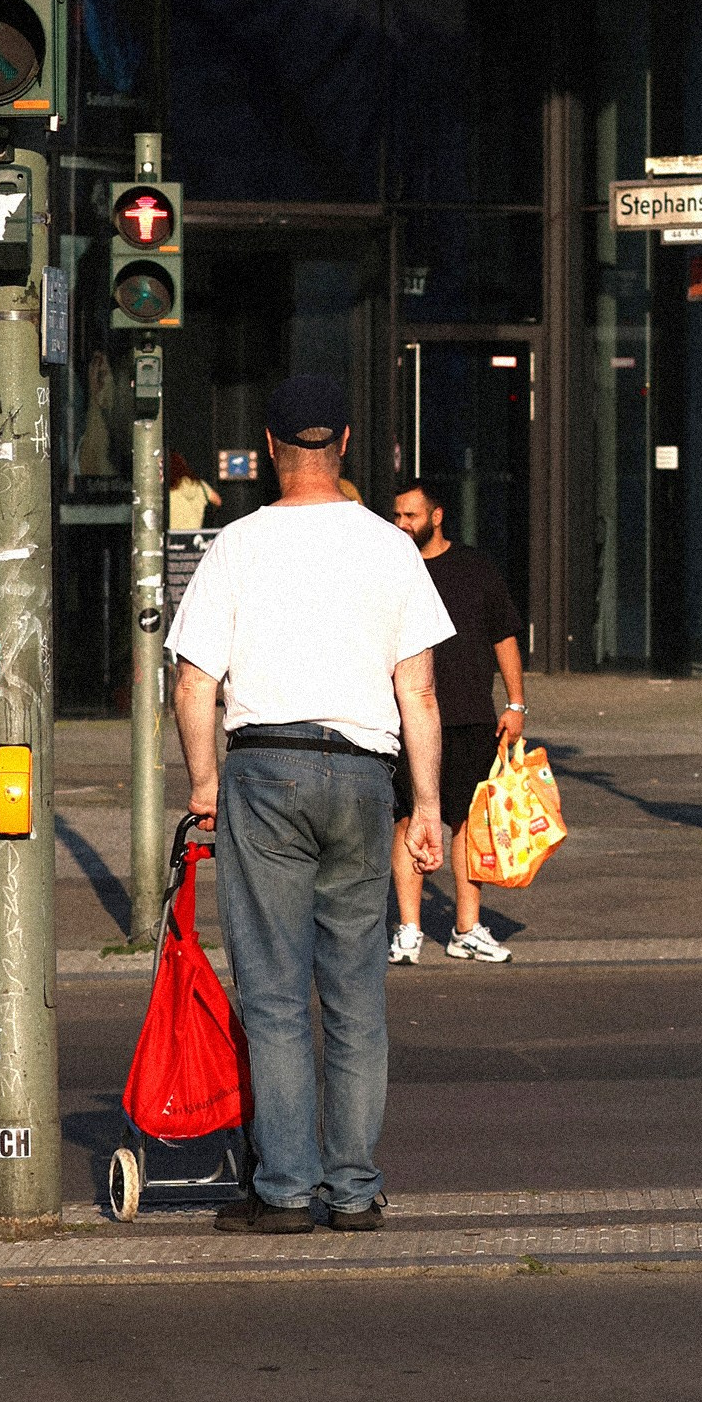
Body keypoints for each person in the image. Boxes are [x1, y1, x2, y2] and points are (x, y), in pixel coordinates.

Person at [168, 373, 454, 1233]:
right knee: (356, 995)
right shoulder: (388, 547)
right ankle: (355, 1189)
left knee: (275, 994)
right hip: (364, 775)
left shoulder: (236, 546)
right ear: (346, 443)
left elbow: (192, 683)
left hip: (263, 768)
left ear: (268, 447)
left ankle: (285, 1190)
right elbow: (422, 691)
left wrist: (204, 782)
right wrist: (429, 805)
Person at [385, 474, 525, 964]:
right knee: (408, 819)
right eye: (397, 515)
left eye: (411, 516)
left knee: (467, 822)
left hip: (468, 717)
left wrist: (516, 704)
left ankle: (467, 927)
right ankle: (408, 929)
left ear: (436, 516)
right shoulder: (390, 570)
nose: (401, 524)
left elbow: (503, 635)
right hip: (406, 720)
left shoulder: (474, 569)